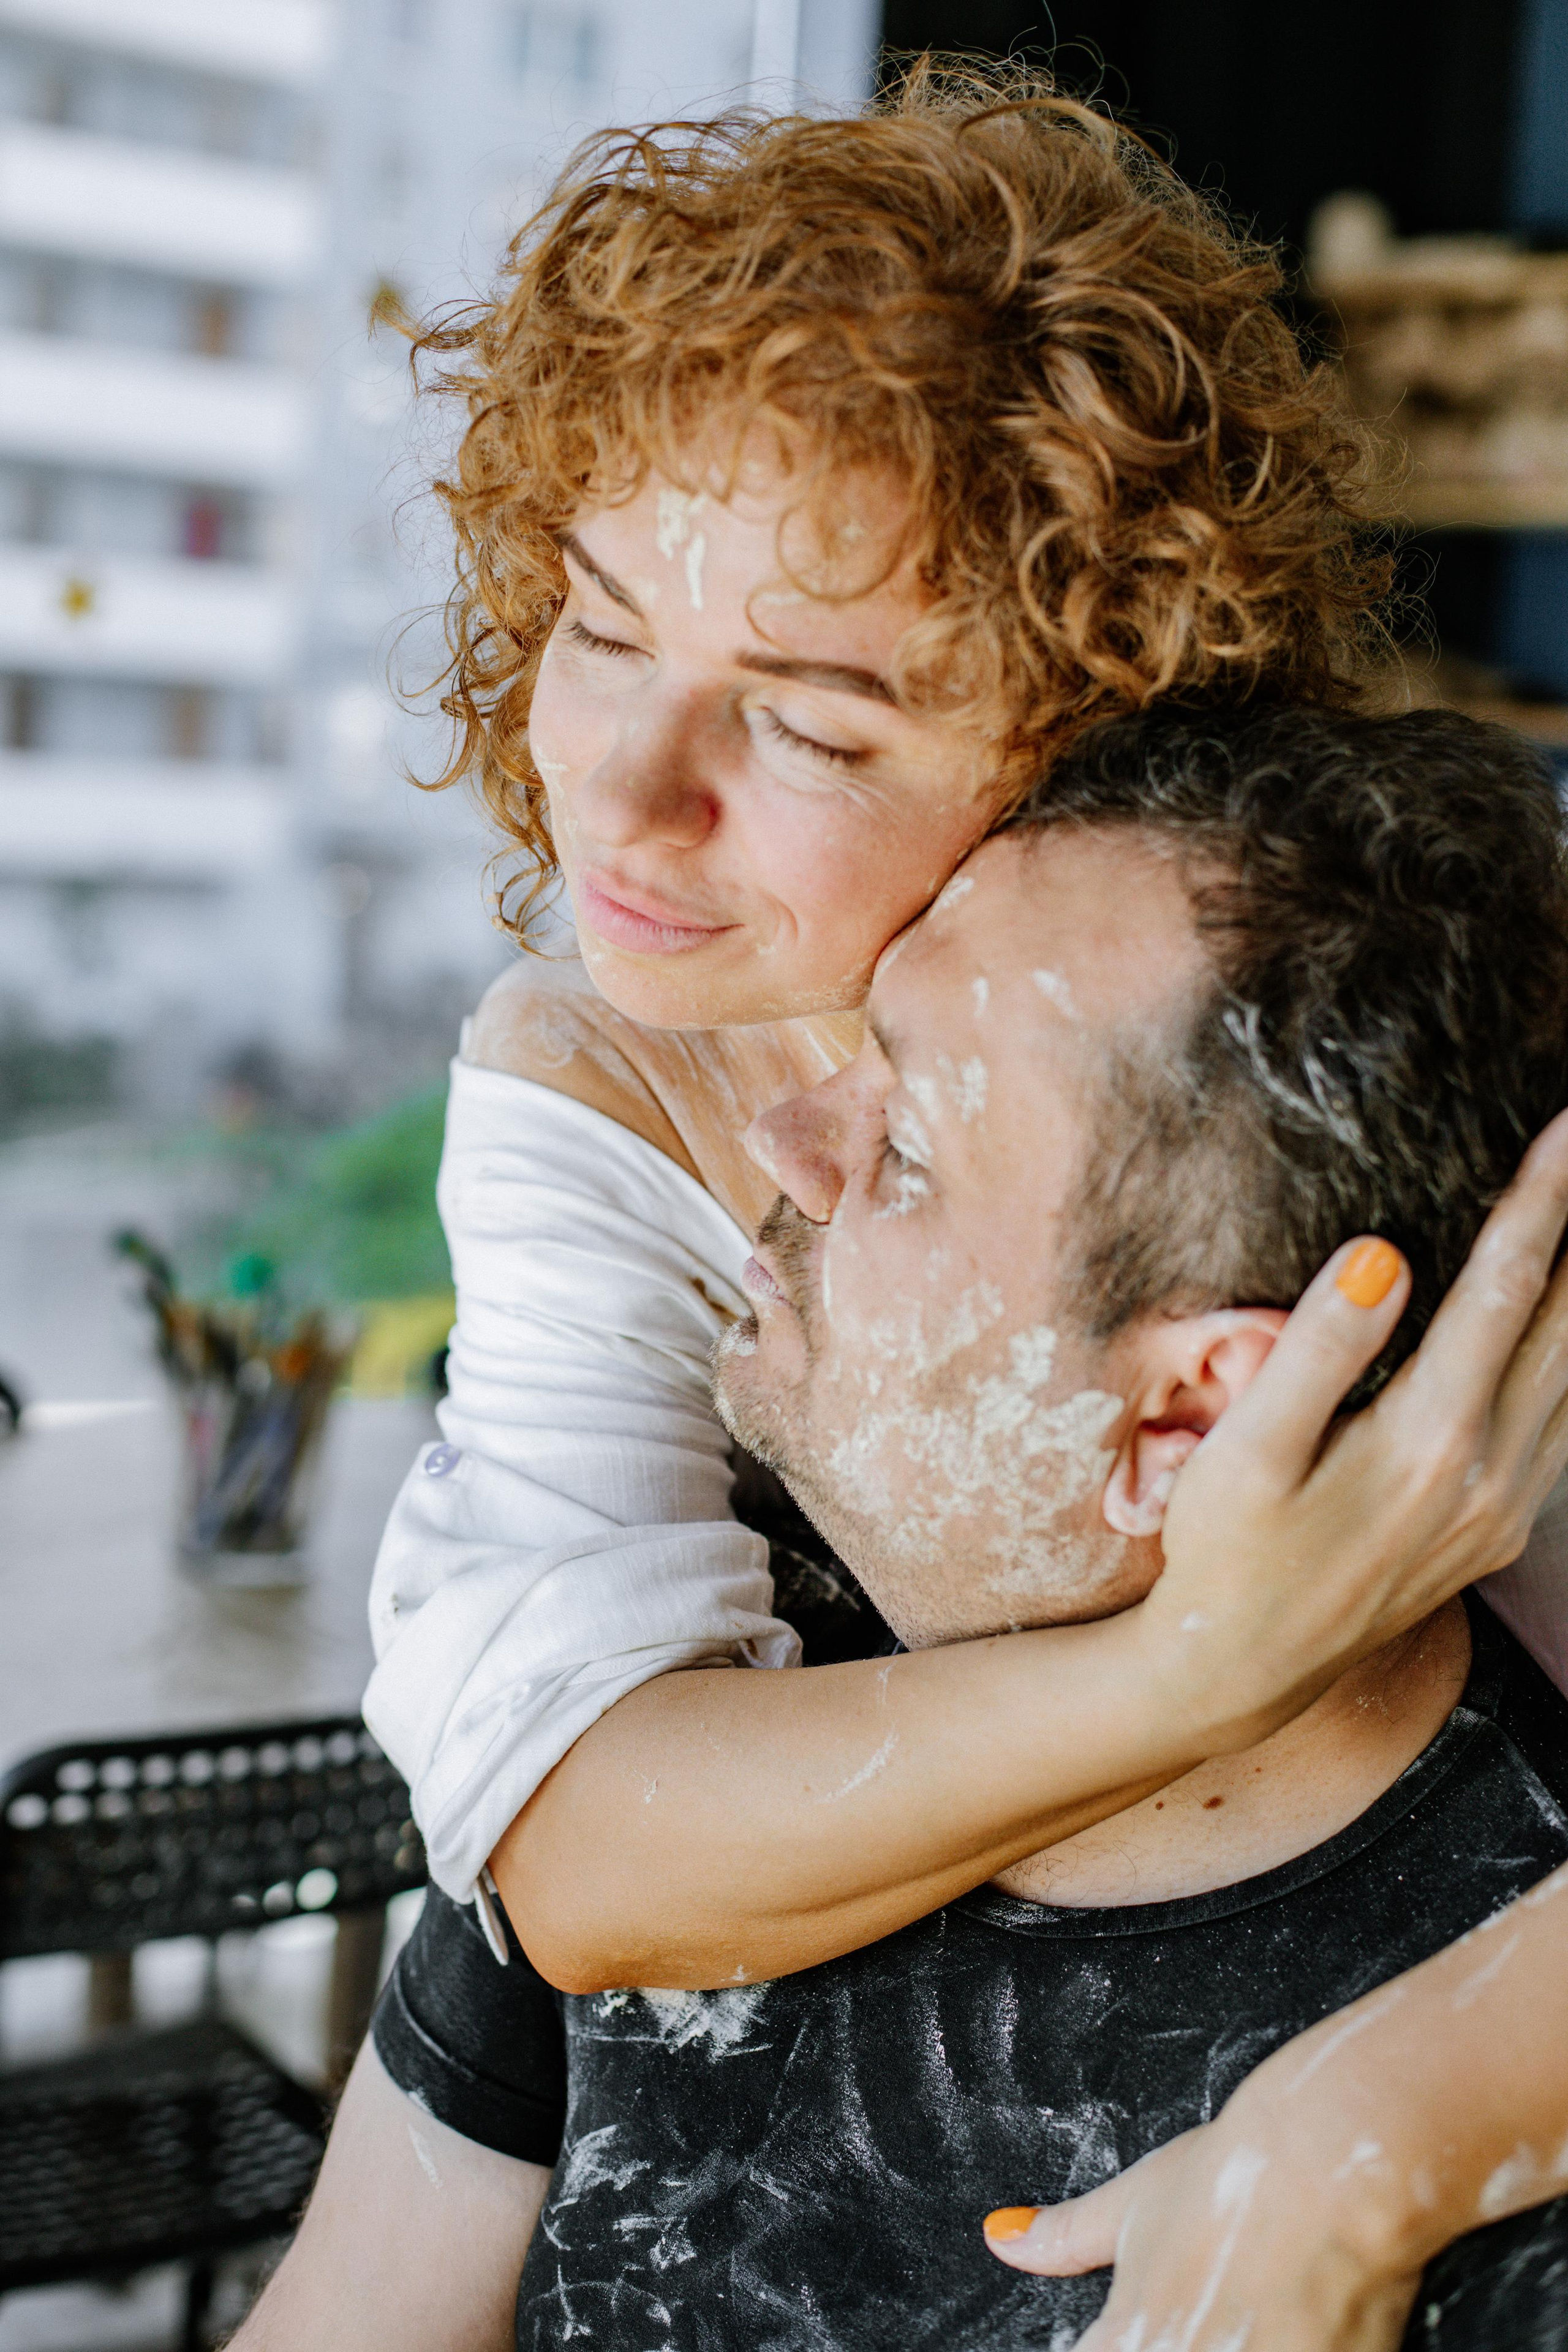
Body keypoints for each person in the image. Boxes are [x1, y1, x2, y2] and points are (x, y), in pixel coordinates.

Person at [232, 66, 1568, 2352]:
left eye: (821, 731)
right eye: (595, 620)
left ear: (1107, 744)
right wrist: (1197, 1661)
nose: (623, 813)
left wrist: (1396, 2126)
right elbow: (577, 1859)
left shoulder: (1399, 1101)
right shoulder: (604, 1082)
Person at [513, 701, 1568, 2348]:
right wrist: (1188, 1671)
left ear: (1186, 1421)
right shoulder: (692, 1656)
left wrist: (1368, 2147)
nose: (784, 1140)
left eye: (912, 1145)